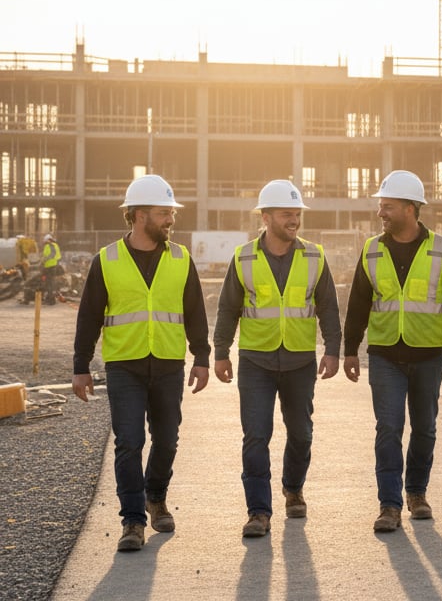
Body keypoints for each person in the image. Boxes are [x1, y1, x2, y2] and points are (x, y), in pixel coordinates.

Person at [71, 174, 211, 552]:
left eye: (171, 213)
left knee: (166, 439)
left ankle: (156, 497)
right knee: (129, 442)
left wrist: (202, 356)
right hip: (124, 365)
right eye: (164, 213)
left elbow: (195, 311)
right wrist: (80, 365)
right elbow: (89, 316)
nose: (171, 220)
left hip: (168, 362)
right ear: (138, 215)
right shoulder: (107, 260)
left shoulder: (181, 259)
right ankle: (132, 521)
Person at [342, 170, 442, 533]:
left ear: (409, 208)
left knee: (425, 428)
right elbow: (357, 302)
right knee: (388, 427)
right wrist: (350, 350)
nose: (381, 212)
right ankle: (389, 505)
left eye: (387, 206)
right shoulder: (372, 249)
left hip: (428, 354)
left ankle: (416, 493)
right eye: (380, 206)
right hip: (385, 353)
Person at [213, 180, 342, 538]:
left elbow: (328, 306)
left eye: (297, 213)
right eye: (287, 214)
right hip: (256, 360)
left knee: (301, 434)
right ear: (266, 217)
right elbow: (228, 309)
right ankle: (258, 512)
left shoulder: (315, 256)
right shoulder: (244, 257)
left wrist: (332, 348)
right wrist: (220, 353)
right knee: (256, 435)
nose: (294, 220)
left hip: (300, 359)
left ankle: (293, 488)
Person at [39, 233, 63, 304]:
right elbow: (58, 256)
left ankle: (50, 300)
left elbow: (51, 255)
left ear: (49, 240)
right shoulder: (55, 245)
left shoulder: (50, 245)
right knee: (50, 283)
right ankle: (49, 298)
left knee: (49, 283)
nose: (45, 242)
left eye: (46, 241)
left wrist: (43, 261)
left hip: (50, 267)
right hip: (52, 266)